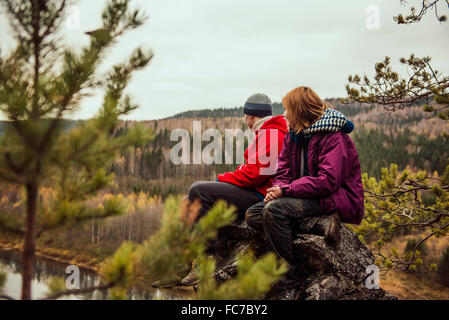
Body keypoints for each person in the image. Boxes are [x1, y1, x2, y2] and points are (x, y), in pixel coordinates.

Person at [153, 93, 288, 288]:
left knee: (198, 190)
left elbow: (254, 175)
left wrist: (222, 179)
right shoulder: (268, 132)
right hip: (257, 192)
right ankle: (184, 263)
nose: (245, 119)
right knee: (188, 201)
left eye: (245, 116)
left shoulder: (273, 134)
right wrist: (233, 176)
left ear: (250, 116)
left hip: (262, 196)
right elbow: (253, 170)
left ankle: (206, 260)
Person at [245, 86, 364, 295]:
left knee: (274, 212)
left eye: (287, 110)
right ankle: (318, 224)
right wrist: (279, 188)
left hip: (331, 198)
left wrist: (286, 190)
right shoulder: (294, 135)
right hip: (302, 196)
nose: (284, 115)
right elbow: (283, 170)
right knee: (253, 214)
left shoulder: (332, 136)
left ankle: (287, 281)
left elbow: (327, 181)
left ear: (299, 110)